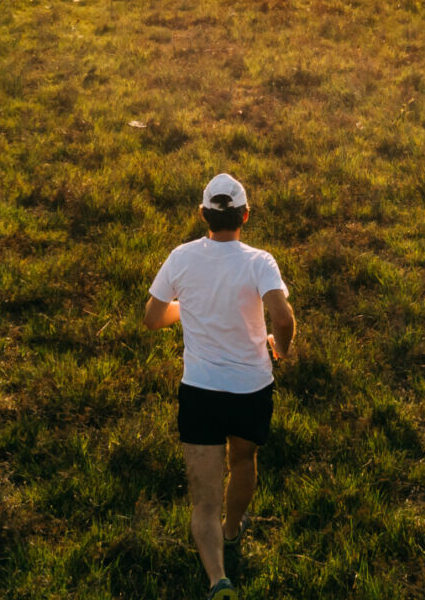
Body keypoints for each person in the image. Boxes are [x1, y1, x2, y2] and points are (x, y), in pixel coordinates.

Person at [143, 173, 297, 600]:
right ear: (245, 215)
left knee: (203, 501)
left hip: (200, 393)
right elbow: (282, 318)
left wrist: (186, 307)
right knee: (243, 462)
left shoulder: (181, 258)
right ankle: (232, 531)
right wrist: (279, 349)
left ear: (202, 215)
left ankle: (218, 580)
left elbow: (153, 318)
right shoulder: (259, 261)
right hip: (251, 389)